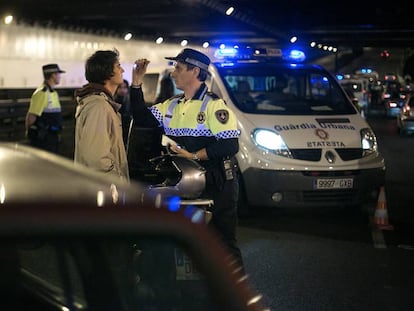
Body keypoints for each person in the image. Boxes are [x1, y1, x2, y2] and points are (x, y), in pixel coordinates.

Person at [129, 48, 244, 268]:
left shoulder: (214, 106)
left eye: (178, 68)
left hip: (217, 182)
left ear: (195, 71)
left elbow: (230, 144)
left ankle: (237, 297)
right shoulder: (172, 105)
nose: (173, 73)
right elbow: (141, 118)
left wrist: (193, 155)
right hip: (184, 183)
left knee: (223, 242)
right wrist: (136, 83)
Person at [74, 49, 129, 182]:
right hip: (104, 189)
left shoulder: (99, 103)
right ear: (107, 72)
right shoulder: (98, 107)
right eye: (118, 66)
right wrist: (117, 181)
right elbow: (96, 159)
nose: (122, 71)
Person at [25, 63, 65, 154]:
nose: (60, 76)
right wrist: (29, 133)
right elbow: (31, 116)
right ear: (53, 75)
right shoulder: (42, 93)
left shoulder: (53, 93)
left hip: (53, 137)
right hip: (44, 139)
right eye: (58, 74)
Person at [115, 79, 131, 147]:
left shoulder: (129, 102)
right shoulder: (113, 101)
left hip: (126, 130)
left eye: (124, 88)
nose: (122, 90)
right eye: (120, 87)